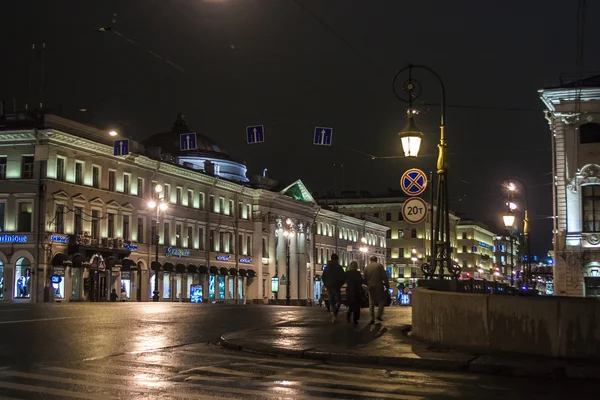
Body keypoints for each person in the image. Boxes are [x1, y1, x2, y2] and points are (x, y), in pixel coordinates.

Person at [364, 255, 390, 324]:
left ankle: (372, 318)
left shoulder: (367, 267)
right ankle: (379, 315)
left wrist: (367, 286)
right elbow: (384, 276)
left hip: (370, 286)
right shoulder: (379, 266)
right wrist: (387, 285)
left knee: (371, 302)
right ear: (376, 260)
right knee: (381, 301)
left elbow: (364, 278)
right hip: (379, 286)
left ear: (370, 260)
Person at [322, 253, 345, 322]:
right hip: (336, 286)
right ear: (337, 259)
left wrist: (326, 284)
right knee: (338, 300)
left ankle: (333, 312)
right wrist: (340, 285)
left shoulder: (327, 267)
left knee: (331, 300)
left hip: (329, 286)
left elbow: (323, 277)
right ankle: (334, 312)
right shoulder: (339, 267)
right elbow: (343, 277)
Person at [345, 261, 363, 325]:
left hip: (349, 291)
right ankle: (355, 319)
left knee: (351, 305)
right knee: (357, 306)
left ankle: (348, 315)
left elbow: (345, 280)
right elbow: (361, 282)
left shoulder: (347, 273)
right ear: (356, 266)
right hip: (357, 291)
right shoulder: (358, 273)